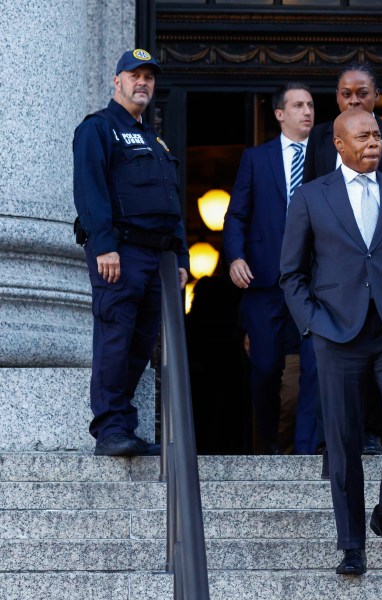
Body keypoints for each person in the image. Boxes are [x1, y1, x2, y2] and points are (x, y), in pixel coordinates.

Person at [280, 108, 382, 576]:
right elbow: (291, 273)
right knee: (344, 441)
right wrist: (312, 324)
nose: (375, 143)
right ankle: (352, 546)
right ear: (339, 145)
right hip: (336, 333)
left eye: (379, 136)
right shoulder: (309, 197)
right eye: (364, 136)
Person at [72, 48, 188, 457]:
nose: (142, 82)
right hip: (119, 251)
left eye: (149, 77)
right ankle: (110, 430)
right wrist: (103, 246)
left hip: (157, 259)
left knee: (140, 344)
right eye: (134, 75)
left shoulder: (155, 141)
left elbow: (171, 204)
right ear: (116, 81)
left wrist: (182, 259)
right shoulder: (99, 129)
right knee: (115, 339)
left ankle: (125, 425)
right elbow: (90, 191)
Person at [304, 64, 382, 454]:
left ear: (376, 96)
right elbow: (309, 202)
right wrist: (311, 314)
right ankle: (330, 444)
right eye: (345, 93)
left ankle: (374, 431)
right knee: (332, 376)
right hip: (336, 289)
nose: (353, 99)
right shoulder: (321, 137)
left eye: (362, 92)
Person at [223, 82, 320, 455]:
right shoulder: (256, 158)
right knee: (264, 368)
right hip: (263, 281)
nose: (307, 112)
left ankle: (307, 449)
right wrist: (235, 257)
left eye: (310, 105)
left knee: (313, 369)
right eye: (298, 105)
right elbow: (237, 215)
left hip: (313, 282)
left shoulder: (327, 158)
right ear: (280, 114)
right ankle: (269, 447)